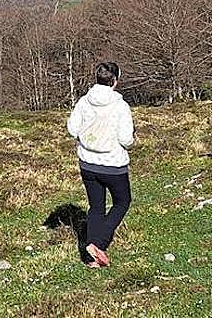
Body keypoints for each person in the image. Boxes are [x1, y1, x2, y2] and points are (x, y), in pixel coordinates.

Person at [67, 61, 134, 268]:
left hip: (88, 163)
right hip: (113, 164)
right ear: (115, 80)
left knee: (96, 207)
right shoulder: (120, 105)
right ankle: (99, 243)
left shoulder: (84, 102)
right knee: (122, 202)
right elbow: (125, 139)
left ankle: (90, 259)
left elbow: (71, 129)